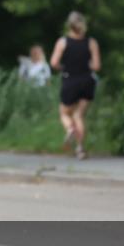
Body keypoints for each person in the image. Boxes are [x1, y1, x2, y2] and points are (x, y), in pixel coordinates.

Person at [50, 12, 101, 160]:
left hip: (70, 80)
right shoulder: (91, 42)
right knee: (79, 114)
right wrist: (87, 65)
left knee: (65, 113)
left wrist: (64, 67)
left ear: (69, 25)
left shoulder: (63, 42)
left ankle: (70, 129)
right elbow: (97, 66)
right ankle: (80, 149)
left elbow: (53, 63)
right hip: (87, 81)